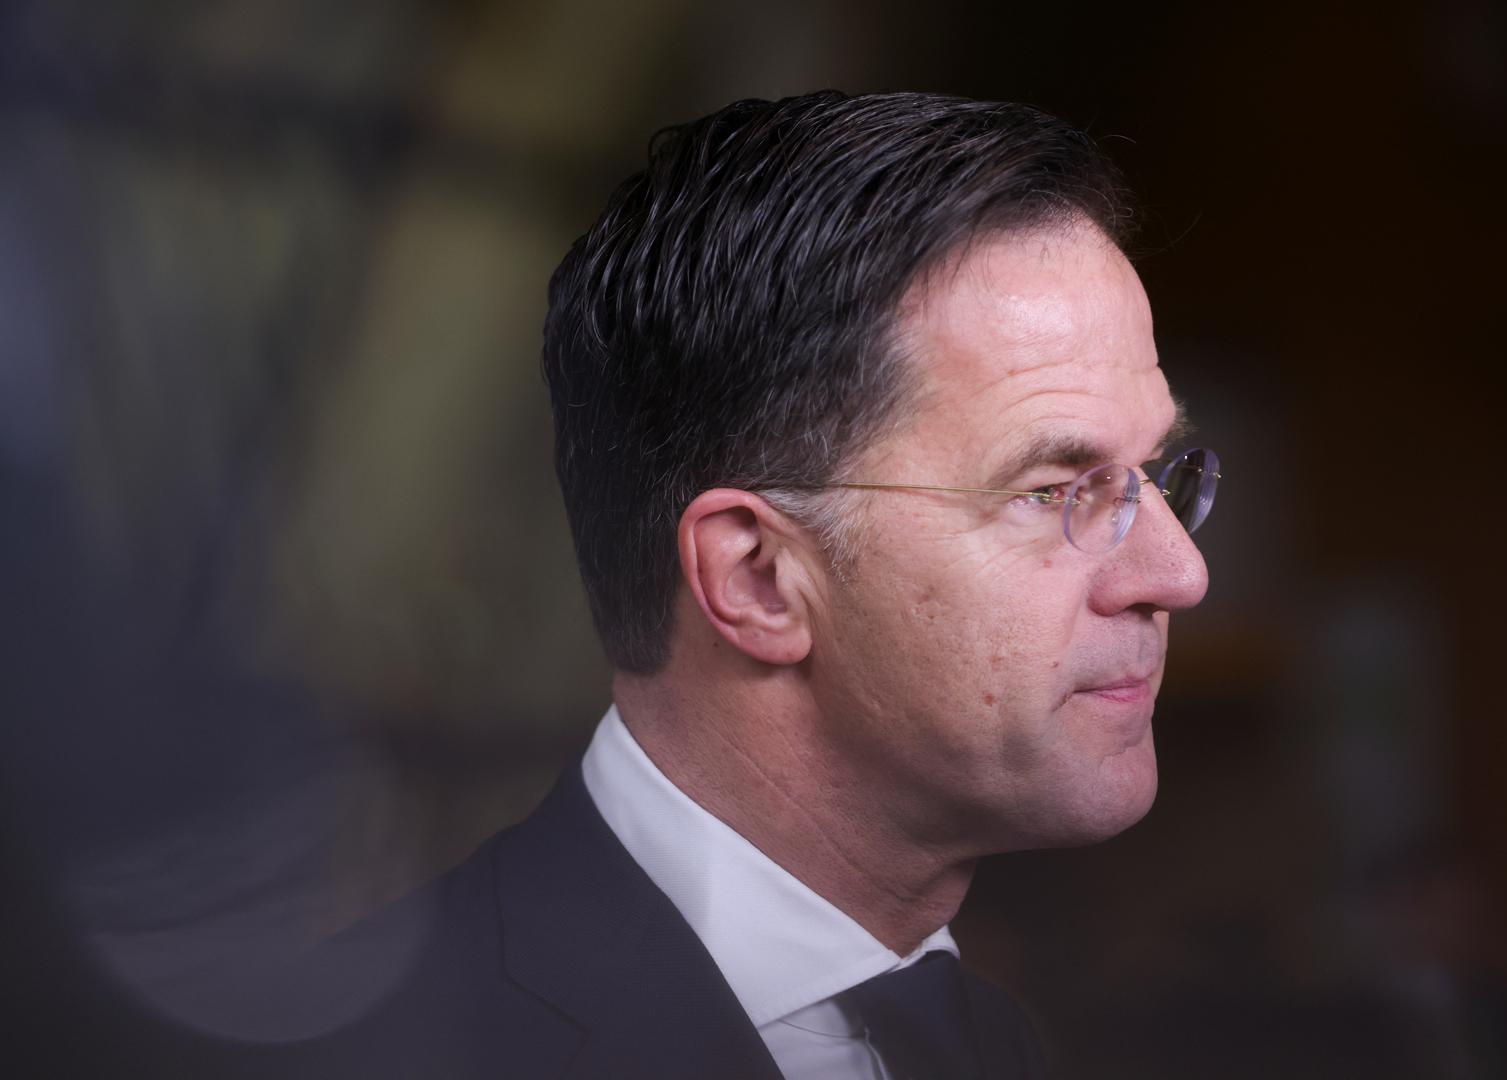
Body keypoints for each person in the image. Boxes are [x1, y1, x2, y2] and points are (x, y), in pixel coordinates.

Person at [290, 89, 1217, 1080]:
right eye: (1049, 492)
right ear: (757, 579)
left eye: (1156, 474)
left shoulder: (990, 1045)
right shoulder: (376, 1054)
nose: (1178, 572)